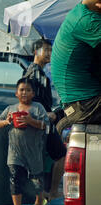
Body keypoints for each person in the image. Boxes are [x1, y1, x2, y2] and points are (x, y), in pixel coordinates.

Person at [0, 78, 49, 205]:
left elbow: (46, 125)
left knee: (36, 180)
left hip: (33, 151)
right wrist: (7, 121)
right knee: (15, 178)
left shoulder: (38, 108)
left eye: (28, 90)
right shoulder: (10, 109)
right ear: (16, 93)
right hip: (15, 152)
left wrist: (31, 121)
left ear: (33, 93)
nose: (24, 92)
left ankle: (39, 201)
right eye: (21, 90)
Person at [23, 39, 66, 201]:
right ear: (36, 52)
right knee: (61, 154)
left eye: (50, 50)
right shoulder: (34, 73)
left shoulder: (40, 73)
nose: (49, 54)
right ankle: (52, 192)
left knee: (44, 157)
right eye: (46, 50)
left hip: (42, 121)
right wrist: (44, 114)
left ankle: (45, 193)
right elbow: (27, 98)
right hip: (40, 122)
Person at [51, 0, 101, 135]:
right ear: (99, 4)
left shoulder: (80, 11)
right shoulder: (88, 22)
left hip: (77, 102)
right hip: (85, 104)